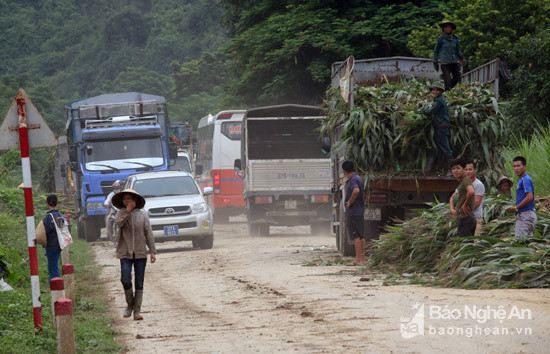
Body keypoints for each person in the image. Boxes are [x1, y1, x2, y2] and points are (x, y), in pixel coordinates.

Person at [112, 189, 156, 320]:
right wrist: (127, 211)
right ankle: (129, 305)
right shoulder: (120, 214)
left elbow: (148, 233)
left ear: (135, 201)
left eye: (129, 199)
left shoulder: (142, 215)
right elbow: (119, 223)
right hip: (125, 252)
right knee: (125, 279)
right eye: (125, 199)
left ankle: (137, 311)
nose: (127, 201)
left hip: (140, 252)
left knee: (139, 282)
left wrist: (152, 251)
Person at [422, 82, 453, 174]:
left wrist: (422, 109)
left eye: (437, 90)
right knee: (434, 148)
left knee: (445, 147)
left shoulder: (439, 100)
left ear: (441, 91)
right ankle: (427, 170)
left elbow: (429, 112)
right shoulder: (438, 99)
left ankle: (451, 170)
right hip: (439, 126)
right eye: (433, 90)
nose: (434, 91)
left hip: (441, 127)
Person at [450, 160, 485, 235]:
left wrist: (464, 206)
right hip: (464, 217)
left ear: (475, 170)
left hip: (475, 217)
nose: (468, 172)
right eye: (466, 169)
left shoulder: (477, 184)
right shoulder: (463, 182)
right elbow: (452, 197)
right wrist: (453, 210)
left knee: (473, 242)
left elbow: (477, 202)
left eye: (470, 169)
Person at [342, 161, 366, 265]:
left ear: (344, 171)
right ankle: (363, 259)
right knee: (361, 235)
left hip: (354, 211)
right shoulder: (358, 178)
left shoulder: (352, 180)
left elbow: (356, 191)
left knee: (356, 235)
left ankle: (357, 259)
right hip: (359, 211)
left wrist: (349, 203)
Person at [505, 156, 537, 237]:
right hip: (526, 215)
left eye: (518, 166)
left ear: (524, 166)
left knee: (519, 243)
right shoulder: (522, 180)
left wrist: (516, 208)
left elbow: (529, 197)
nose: (516, 168)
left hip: (525, 215)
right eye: (514, 166)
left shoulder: (525, 179)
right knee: (527, 245)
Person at [432, 20, 466, 91]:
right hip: (445, 62)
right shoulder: (441, 39)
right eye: (446, 27)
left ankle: (447, 89)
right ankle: (447, 91)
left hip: (454, 61)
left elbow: (458, 50)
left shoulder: (455, 38)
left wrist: (462, 58)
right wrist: (435, 62)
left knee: (457, 78)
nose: (447, 29)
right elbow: (436, 51)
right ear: (443, 29)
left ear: (451, 29)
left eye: (449, 27)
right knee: (447, 79)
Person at [44, 195, 63, 282]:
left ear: (47, 203)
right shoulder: (59, 214)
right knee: (54, 264)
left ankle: (55, 285)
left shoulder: (49, 216)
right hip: (59, 244)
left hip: (51, 245)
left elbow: (46, 231)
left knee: (53, 267)